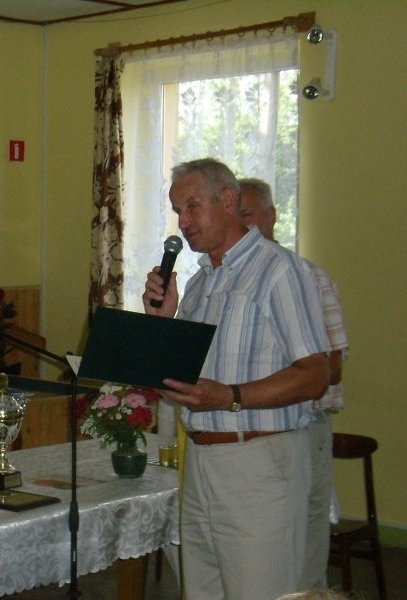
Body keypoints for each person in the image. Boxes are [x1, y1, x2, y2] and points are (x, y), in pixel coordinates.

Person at [143, 158, 331, 599]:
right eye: (177, 212)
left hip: (260, 462)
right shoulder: (196, 283)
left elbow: (315, 375)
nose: (183, 222)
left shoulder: (279, 270)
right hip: (202, 462)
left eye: (191, 207)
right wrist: (163, 321)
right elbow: (181, 381)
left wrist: (230, 396)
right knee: (202, 591)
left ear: (228, 201)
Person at [240, 177, 349, 590]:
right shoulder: (226, 278)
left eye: (249, 215)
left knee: (302, 555)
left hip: (302, 427)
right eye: (236, 216)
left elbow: (332, 368)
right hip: (251, 435)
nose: (243, 225)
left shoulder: (304, 275)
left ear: (272, 217)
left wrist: (256, 383)